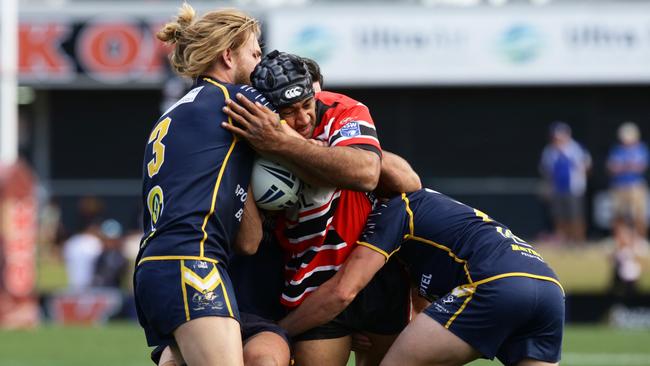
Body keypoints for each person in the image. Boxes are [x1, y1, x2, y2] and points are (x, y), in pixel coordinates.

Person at [222, 51, 418, 366]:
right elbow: (249, 241)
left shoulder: (342, 109)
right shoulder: (251, 138)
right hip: (310, 283)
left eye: (306, 105)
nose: (302, 119)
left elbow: (372, 174)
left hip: (374, 272)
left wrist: (285, 144)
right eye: (288, 112)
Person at [279, 188, 565, 366]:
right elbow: (424, 311)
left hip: (497, 285)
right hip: (551, 289)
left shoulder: (396, 209)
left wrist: (280, 331)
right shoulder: (438, 220)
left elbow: (343, 292)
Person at [133, 4, 269, 366]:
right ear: (228, 55)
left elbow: (248, 241)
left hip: (156, 266)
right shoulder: (235, 101)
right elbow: (303, 126)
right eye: (255, 54)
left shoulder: (175, 112)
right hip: (193, 264)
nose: (261, 64)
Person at [539, 121, 591, 244]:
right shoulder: (549, 151)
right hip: (557, 189)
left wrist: (581, 178)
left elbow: (587, 165)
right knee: (559, 216)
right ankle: (563, 240)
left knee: (576, 215)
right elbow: (546, 170)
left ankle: (578, 240)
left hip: (574, 188)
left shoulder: (576, 148)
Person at [607, 121, 648, 240]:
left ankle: (640, 240)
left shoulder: (641, 148)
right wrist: (626, 166)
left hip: (635, 186)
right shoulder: (617, 149)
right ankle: (619, 240)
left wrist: (622, 166)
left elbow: (639, 167)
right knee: (618, 215)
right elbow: (612, 167)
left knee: (638, 215)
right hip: (619, 186)